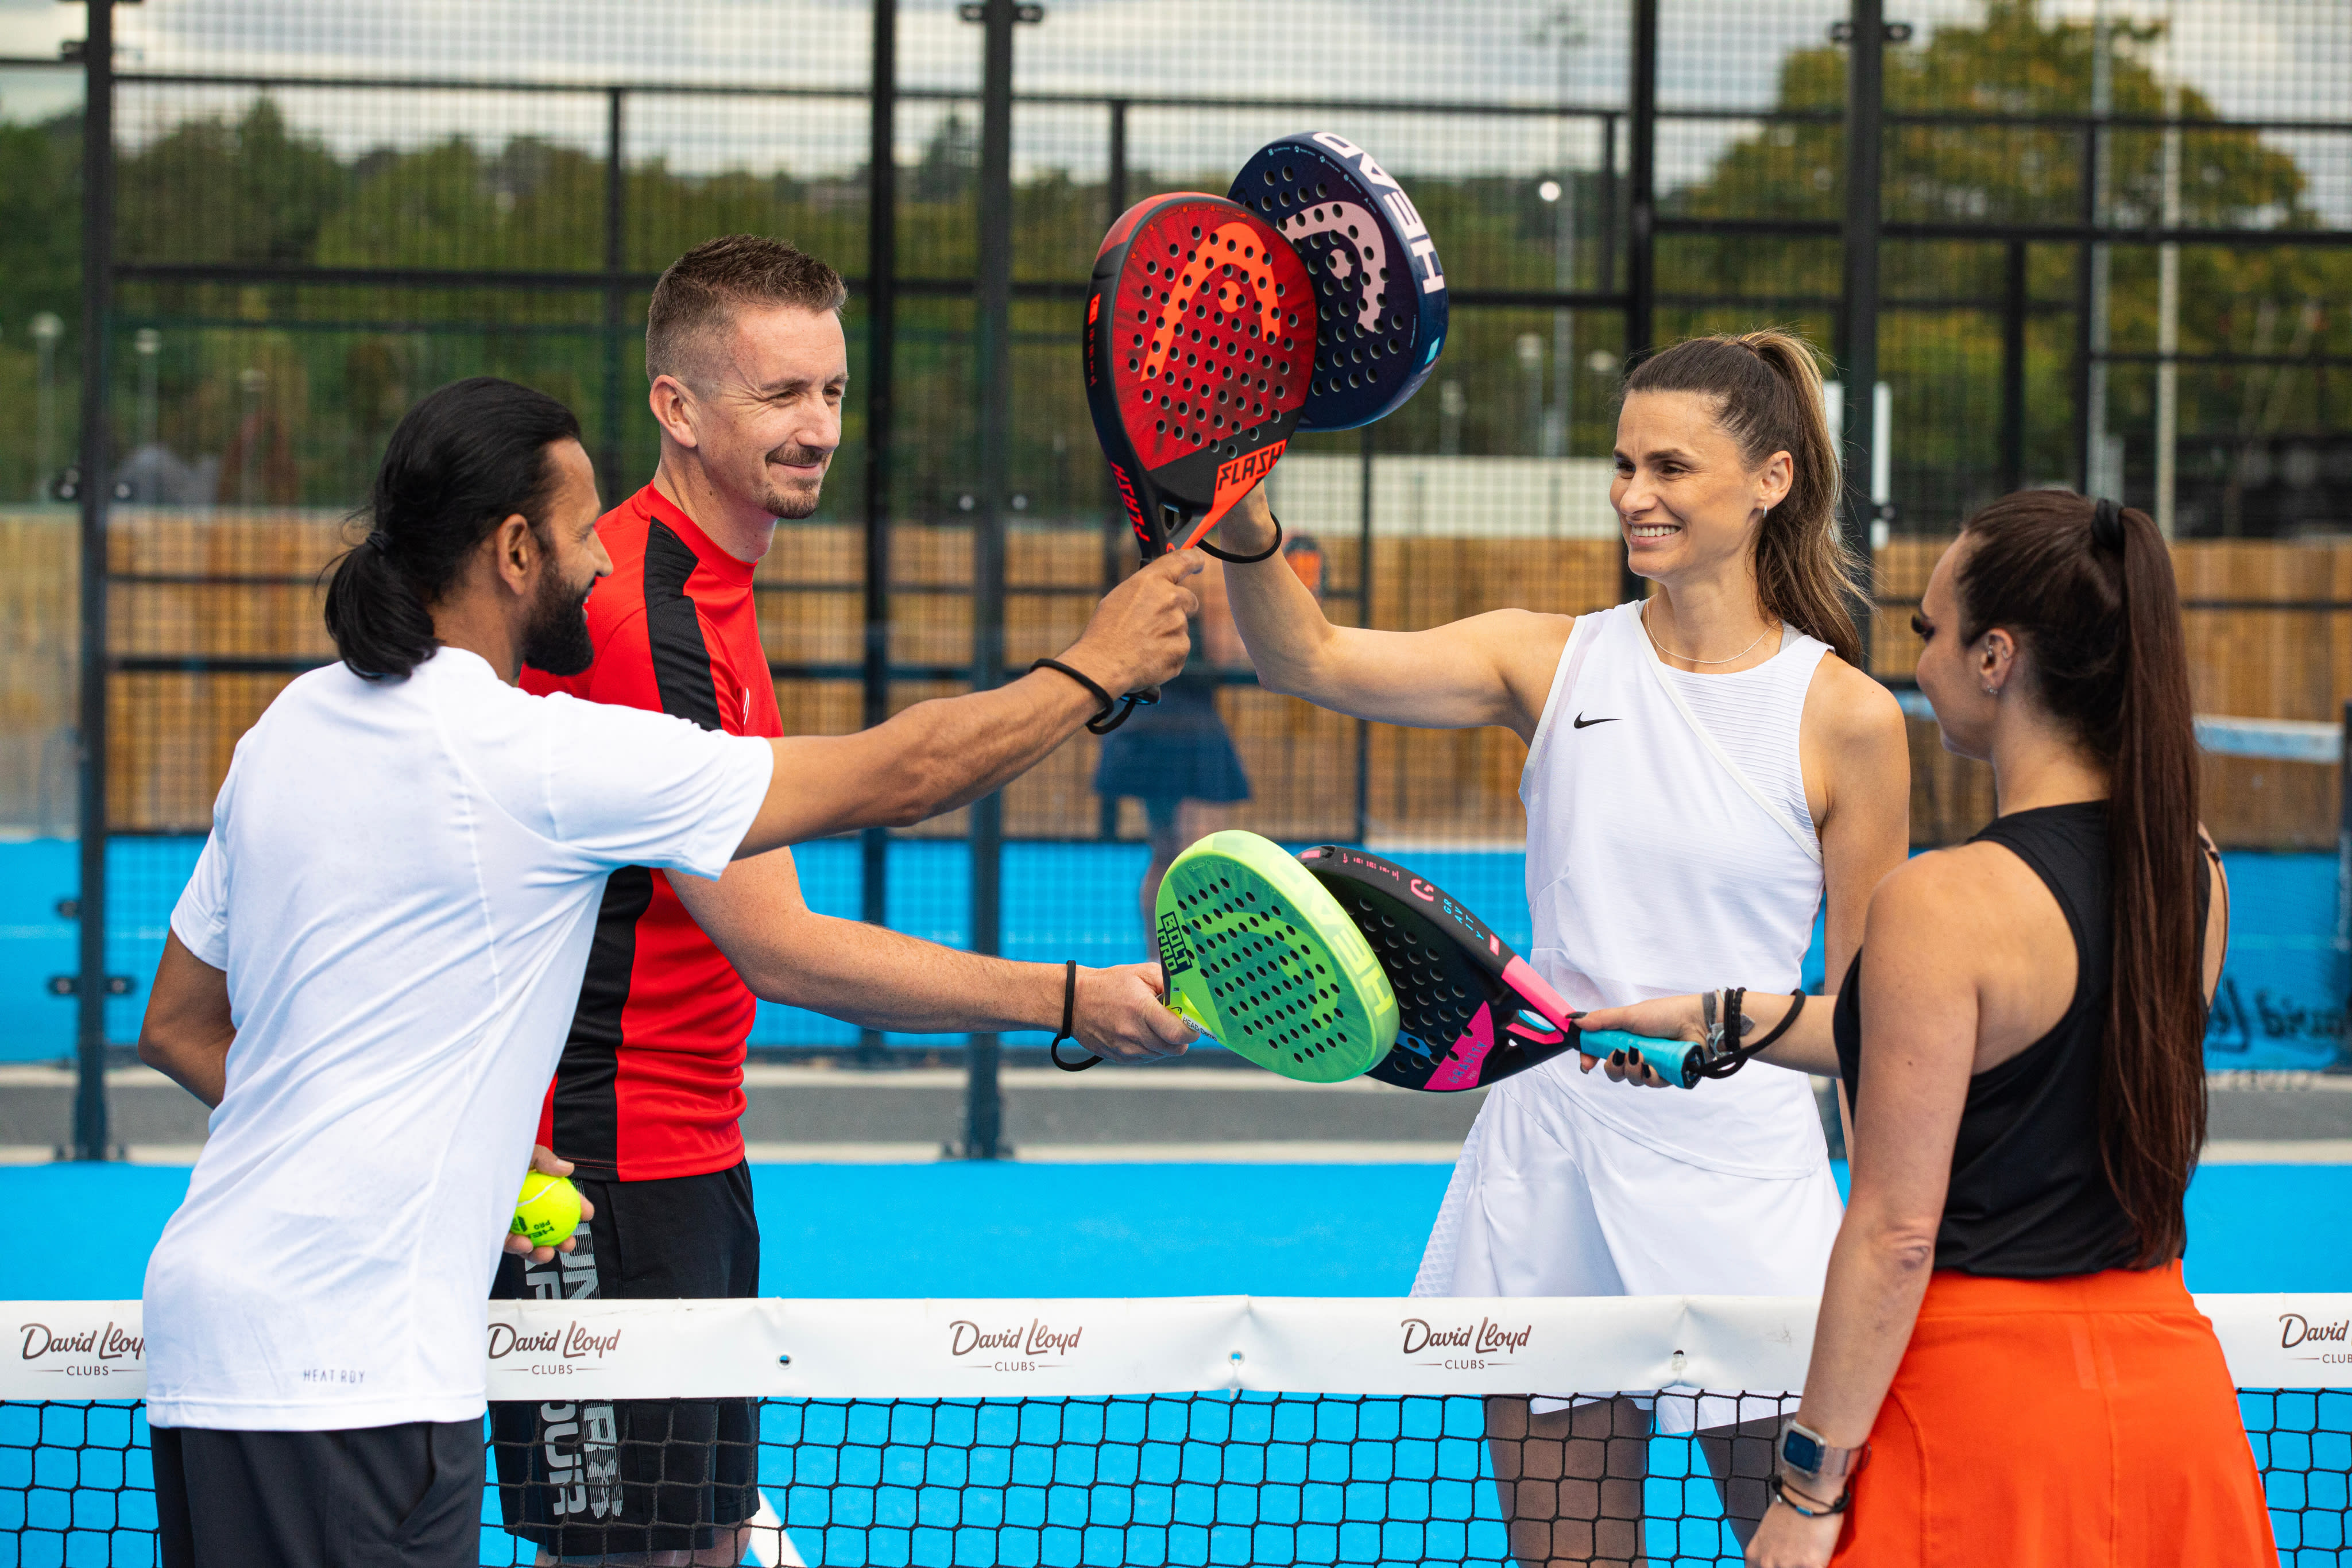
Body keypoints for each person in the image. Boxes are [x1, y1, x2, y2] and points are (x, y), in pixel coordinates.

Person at [131, 375, 1200, 1568]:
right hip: (349, 1371)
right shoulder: (531, 757)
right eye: (585, 531)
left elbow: (177, 1025)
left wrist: (467, 1148)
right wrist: (1096, 666)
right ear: (516, 549)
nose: (602, 561)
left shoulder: (287, 728)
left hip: (209, 1332)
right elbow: (897, 776)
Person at [1208, 330, 1912, 1566]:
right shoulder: (1548, 657)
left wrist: (1885, 1240)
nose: (1631, 494)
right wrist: (1245, 516)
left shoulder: (1845, 716)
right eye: (1622, 462)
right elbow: (1305, 656)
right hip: (1549, 1172)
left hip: (1747, 1195)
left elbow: (1867, 1026)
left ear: (1772, 480)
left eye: (1670, 467)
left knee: (1805, 1551)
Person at [1581, 493, 2275, 1568]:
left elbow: (1897, 1231)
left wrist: (1808, 1491)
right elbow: (2017, 1045)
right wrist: (1726, 1018)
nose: (1918, 658)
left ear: (1995, 656)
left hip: (1980, 1416)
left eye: (1929, 630)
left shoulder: (1940, 907)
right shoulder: (2192, 869)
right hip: (2169, 1400)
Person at [1093, 556, 1254, 951]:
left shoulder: (1151, 560)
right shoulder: (1210, 566)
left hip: (1143, 721)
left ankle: (1158, 967)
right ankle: (1204, 976)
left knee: (1165, 854)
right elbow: (1225, 655)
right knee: (1202, 861)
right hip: (1188, 729)